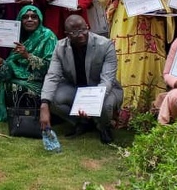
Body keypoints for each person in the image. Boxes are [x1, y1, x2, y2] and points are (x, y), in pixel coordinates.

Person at [39, 15, 123, 144]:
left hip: (103, 89)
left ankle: (103, 126)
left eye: (83, 29)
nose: (81, 35)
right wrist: (44, 105)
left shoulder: (105, 45)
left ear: (87, 27)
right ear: (67, 34)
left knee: (106, 106)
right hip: (76, 88)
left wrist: (89, 103)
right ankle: (82, 122)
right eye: (74, 32)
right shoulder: (60, 47)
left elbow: (107, 80)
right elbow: (52, 76)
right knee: (54, 99)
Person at [0, 5, 57, 122]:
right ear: (20, 20)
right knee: (6, 83)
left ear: (39, 19)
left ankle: (33, 114)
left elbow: (51, 68)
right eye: (25, 17)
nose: (29, 20)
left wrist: (27, 56)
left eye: (34, 17)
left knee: (18, 86)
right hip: (18, 79)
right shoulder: (17, 37)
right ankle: (17, 114)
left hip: (41, 82)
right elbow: (8, 69)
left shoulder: (48, 36)